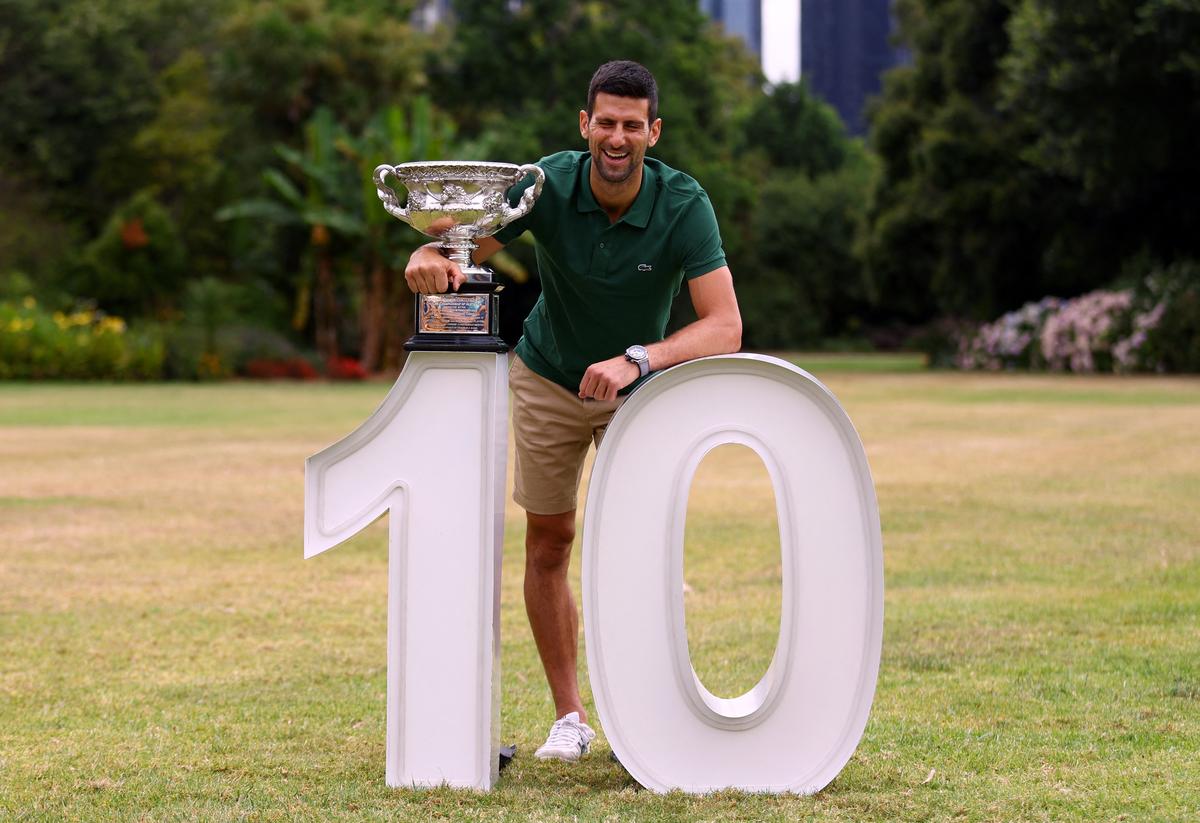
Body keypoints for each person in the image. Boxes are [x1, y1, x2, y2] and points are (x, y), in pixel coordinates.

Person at [403, 60, 742, 762]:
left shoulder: (683, 203)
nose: (617, 137)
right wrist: (429, 254)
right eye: (605, 123)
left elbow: (724, 326)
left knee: (636, 552)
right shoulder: (545, 184)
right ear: (584, 125)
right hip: (550, 374)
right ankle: (571, 716)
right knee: (550, 543)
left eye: (631, 125)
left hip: (636, 388)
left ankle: (646, 720)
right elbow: (464, 252)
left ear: (653, 131)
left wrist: (638, 358)